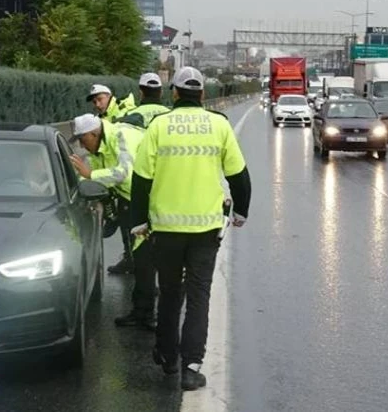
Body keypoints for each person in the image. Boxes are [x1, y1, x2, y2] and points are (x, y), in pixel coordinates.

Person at [130, 66, 252, 391]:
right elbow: (239, 175)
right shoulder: (218, 125)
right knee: (199, 296)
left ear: (174, 93)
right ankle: (191, 367)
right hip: (205, 230)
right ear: (202, 94)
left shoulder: (159, 126)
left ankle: (167, 356)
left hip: (165, 229)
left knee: (170, 293)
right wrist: (240, 211)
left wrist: (139, 221)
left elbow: (141, 179)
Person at [69, 113, 144, 275]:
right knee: (128, 231)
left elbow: (124, 173)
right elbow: (94, 173)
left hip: (148, 194)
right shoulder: (97, 146)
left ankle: (153, 281)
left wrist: (90, 175)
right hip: (127, 195)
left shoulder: (121, 135)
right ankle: (131, 261)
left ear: (94, 134)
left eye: (82, 140)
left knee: (147, 243)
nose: (81, 146)